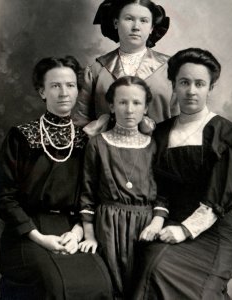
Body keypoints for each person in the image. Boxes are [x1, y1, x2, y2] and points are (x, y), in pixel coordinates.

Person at [0, 56, 113, 300]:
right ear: (42, 92)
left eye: (70, 85)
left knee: (101, 284)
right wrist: (39, 237)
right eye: (55, 86)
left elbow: (93, 195)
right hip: (27, 232)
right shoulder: (21, 136)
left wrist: (78, 232)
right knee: (54, 285)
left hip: (70, 229)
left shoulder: (85, 140)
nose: (64, 92)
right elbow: (4, 198)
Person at [132, 48, 232, 300]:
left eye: (200, 84)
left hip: (213, 231)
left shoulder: (225, 135)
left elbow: (220, 200)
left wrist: (185, 230)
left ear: (211, 88)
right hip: (168, 222)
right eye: (184, 82)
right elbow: (157, 187)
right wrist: (159, 221)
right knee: (151, 269)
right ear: (174, 85)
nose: (191, 91)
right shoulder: (160, 132)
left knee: (194, 289)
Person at [78, 76, 169, 299]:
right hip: (107, 226)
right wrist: (89, 236)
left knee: (144, 289)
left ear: (146, 107)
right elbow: (87, 194)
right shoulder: (98, 144)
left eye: (137, 103)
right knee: (110, 289)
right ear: (111, 105)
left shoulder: (154, 145)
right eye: (122, 102)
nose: (129, 110)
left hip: (145, 227)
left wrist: (157, 223)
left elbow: (163, 194)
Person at [73, 0, 178, 136]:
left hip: (160, 154)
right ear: (116, 23)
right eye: (129, 19)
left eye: (144, 21)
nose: (136, 27)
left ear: (152, 27)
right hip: (108, 154)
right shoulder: (97, 70)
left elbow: (182, 121)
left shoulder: (172, 68)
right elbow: (81, 121)